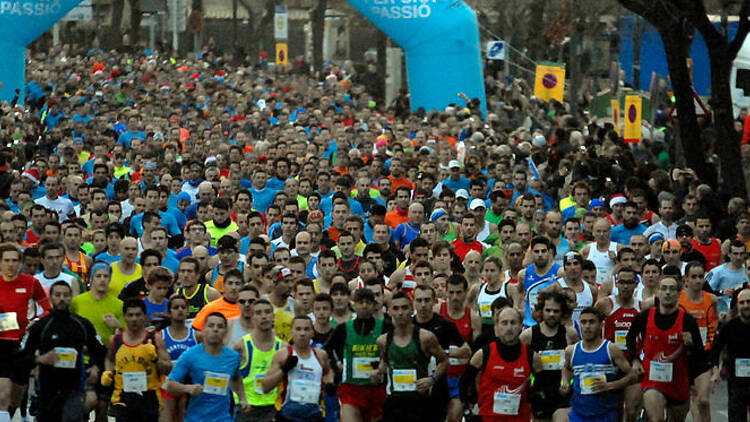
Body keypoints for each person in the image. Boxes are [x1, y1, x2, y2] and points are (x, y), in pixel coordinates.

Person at [19, 280, 106, 422]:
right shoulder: (41, 326)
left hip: (74, 389)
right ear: (51, 297)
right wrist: (40, 359)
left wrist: (95, 368)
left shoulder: (82, 325)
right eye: (58, 295)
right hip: (47, 390)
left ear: (71, 297)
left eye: (66, 295)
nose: (61, 299)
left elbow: (100, 351)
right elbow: (22, 356)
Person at [626, 275, 708, 422]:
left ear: (679, 293)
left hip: (678, 381)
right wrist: (635, 360)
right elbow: (630, 337)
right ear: (657, 292)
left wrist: (691, 345)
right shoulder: (645, 316)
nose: (668, 292)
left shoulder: (687, 320)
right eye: (664, 288)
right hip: (652, 380)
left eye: (672, 289)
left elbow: (700, 356)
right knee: (656, 418)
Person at [373, 291, 448, 422]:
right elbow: (385, 362)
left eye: (404, 307)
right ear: (389, 311)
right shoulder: (383, 340)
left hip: (419, 402)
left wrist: (432, 379)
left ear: (411, 309)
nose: (400, 312)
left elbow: (444, 361)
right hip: (394, 402)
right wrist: (377, 373)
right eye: (396, 308)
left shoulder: (425, 337)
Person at [460, 306, 542, 421]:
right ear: (496, 328)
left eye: (513, 323)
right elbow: (464, 383)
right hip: (489, 418)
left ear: (520, 327)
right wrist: (468, 411)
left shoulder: (532, 357)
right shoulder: (483, 354)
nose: (509, 328)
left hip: (519, 418)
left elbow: (541, 387)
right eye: (504, 323)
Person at [166, 312, 251, 421]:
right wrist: (188, 388)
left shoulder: (233, 357)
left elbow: (236, 377)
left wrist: (243, 398)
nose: (215, 330)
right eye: (211, 326)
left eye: (220, 327)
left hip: (224, 417)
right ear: (203, 330)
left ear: (225, 332)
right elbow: (170, 386)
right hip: (196, 418)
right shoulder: (190, 355)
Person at [556, 307, 633, 422]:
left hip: (605, 414)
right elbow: (567, 368)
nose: (587, 326)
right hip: (579, 414)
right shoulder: (571, 351)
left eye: (591, 322)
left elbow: (632, 376)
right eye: (583, 322)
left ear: (601, 325)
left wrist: (610, 385)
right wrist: (565, 382)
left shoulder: (610, 349)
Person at [101, 299, 172, 422]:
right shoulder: (116, 340)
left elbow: (168, 368)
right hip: (123, 399)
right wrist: (107, 372)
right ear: (124, 317)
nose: (134, 319)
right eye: (130, 315)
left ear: (144, 316)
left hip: (149, 398)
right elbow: (109, 359)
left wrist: (155, 359)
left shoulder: (155, 339)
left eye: (138, 315)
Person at [324, 288, 388, 422]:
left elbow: (394, 351)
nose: (364, 306)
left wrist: (383, 367)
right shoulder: (343, 328)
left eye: (368, 303)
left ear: (374, 305)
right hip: (351, 388)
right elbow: (327, 350)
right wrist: (337, 366)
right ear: (353, 304)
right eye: (360, 302)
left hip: (377, 388)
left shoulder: (385, 327)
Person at [412, 285, 471, 421]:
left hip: (438, 384)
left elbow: (466, 351)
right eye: (419, 300)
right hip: (413, 384)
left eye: (427, 300)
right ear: (413, 302)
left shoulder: (445, 324)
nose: (423, 305)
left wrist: (443, 353)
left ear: (434, 301)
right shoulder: (409, 325)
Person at [262, 316, 335, 422]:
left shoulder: (320, 355)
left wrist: (330, 384)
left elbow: (328, 373)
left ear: (312, 333)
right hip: (286, 416)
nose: (302, 333)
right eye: (298, 329)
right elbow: (265, 387)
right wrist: (284, 370)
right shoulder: (282, 355)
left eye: (306, 329)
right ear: (292, 332)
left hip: (314, 416)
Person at [519, 291, 578, 421]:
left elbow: (577, 363)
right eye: (548, 310)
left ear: (562, 312)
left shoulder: (570, 334)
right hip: (539, 391)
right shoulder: (528, 335)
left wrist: (568, 382)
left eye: (556, 311)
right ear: (541, 311)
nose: (552, 314)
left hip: (563, 391)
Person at [678, 261, 718, 422]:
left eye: (701, 277)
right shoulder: (677, 299)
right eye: (693, 277)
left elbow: (715, 329)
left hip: (704, 355)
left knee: (703, 400)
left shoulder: (712, 299)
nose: (697, 280)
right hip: (682, 355)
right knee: (686, 400)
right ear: (685, 279)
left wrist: (715, 363)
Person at [437, 274, 481, 422]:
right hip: (439, 376)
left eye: (459, 292)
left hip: (460, 378)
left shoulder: (473, 317)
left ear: (466, 291)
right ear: (446, 291)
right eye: (451, 292)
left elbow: (474, 353)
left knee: (453, 417)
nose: (455, 297)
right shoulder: (438, 310)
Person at [233, 299, 284, 422]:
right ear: (252, 318)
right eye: (258, 313)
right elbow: (232, 376)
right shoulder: (241, 345)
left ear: (273, 316)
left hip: (273, 407)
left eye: (267, 312)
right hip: (247, 407)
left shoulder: (282, 347)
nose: (264, 316)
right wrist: (242, 399)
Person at [710, 288, 750, 421]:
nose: (745, 306)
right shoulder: (729, 327)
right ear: (737, 305)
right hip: (736, 383)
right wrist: (715, 371)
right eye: (742, 302)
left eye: (748, 302)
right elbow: (716, 350)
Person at [161, 295, 199, 422]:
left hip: (188, 385)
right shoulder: (161, 336)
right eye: (176, 307)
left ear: (188, 311)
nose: (180, 310)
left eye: (183, 307)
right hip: (167, 385)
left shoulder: (197, 336)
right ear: (169, 312)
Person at [517, 236, 563, 328]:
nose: (540, 254)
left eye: (543, 251)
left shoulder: (560, 273)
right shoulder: (523, 274)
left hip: (553, 325)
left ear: (549, 252)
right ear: (531, 253)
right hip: (530, 325)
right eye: (536, 251)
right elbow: (520, 297)